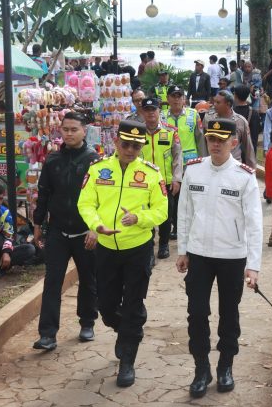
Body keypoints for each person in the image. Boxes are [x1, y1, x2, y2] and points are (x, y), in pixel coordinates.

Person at [176, 118, 263, 399]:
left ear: (233, 144)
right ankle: (202, 369)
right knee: (197, 313)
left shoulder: (244, 176)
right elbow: (185, 212)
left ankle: (226, 365)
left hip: (232, 256)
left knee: (229, 314)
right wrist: (183, 250)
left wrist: (253, 265)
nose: (215, 144)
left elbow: (254, 224)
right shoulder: (194, 171)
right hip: (199, 255)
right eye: (211, 139)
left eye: (221, 140)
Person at [78, 120, 168, 388]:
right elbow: (85, 202)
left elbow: (161, 211)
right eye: (126, 144)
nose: (131, 150)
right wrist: (96, 225)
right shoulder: (98, 169)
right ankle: (125, 328)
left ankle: (128, 358)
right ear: (116, 142)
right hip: (106, 248)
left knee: (132, 303)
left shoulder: (152, 173)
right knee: (106, 305)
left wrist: (140, 218)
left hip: (138, 249)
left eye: (136, 146)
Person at [32, 112, 100, 352]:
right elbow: (44, 194)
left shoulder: (95, 161)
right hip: (57, 231)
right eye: (65, 129)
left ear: (84, 131)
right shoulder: (52, 160)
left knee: (88, 279)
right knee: (52, 282)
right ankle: (48, 334)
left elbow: (102, 198)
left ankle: (87, 321)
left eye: (74, 129)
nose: (69, 133)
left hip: (85, 233)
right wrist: (38, 224)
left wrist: (95, 228)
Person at [139, 98, 182, 261]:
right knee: (146, 216)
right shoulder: (137, 132)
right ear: (142, 112)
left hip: (166, 182)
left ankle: (163, 244)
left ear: (159, 112)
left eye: (153, 109)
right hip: (142, 183)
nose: (151, 112)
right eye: (147, 109)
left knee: (165, 215)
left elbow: (178, 156)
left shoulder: (170, 131)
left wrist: (177, 179)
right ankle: (149, 248)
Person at [162, 86, 204, 242]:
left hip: (191, 164)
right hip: (171, 165)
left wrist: (203, 161)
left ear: (184, 99)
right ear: (168, 99)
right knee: (175, 196)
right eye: (173, 96)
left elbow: (200, 140)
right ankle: (177, 226)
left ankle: (190, 225)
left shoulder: (193, 115)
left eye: (179, 96)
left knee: (191, 196)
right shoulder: (163, 117)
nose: (176, 99)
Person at [202, 90, 256, 168]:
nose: (214, 105)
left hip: (234, 165)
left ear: (228, 104)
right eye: (214, 102)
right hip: (213, 164)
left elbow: (248, 147)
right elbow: (204, 142)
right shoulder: (208, 118)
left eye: (218, 103)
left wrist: (252, 169)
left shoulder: (240, 121)